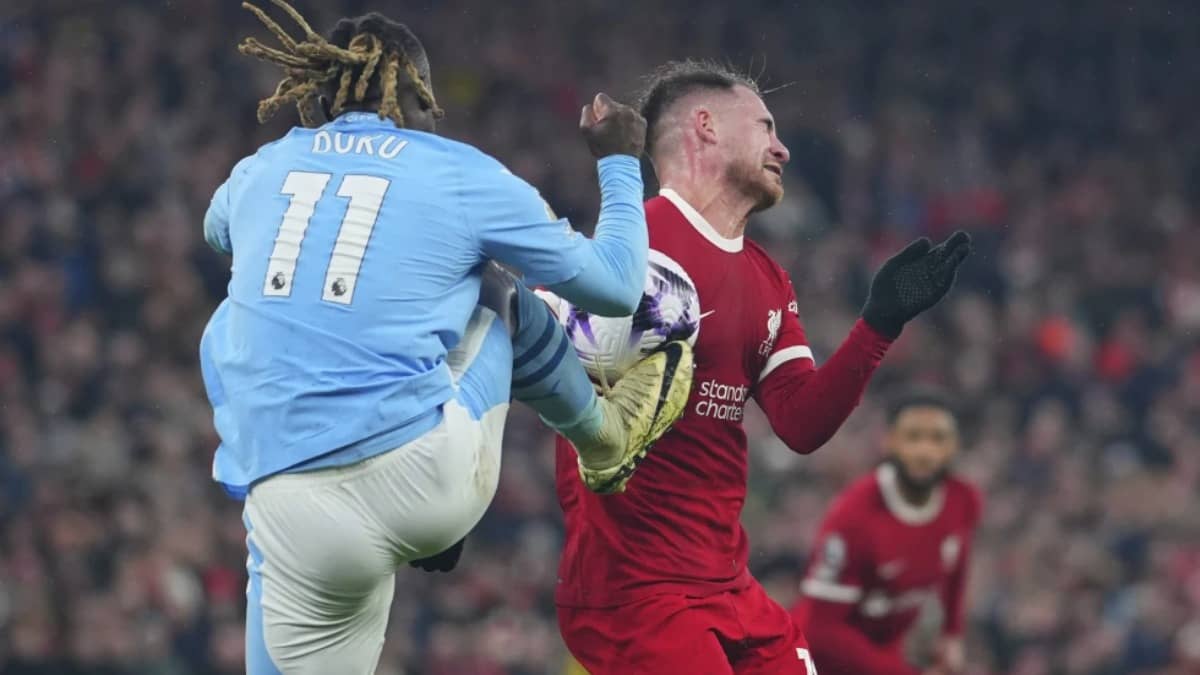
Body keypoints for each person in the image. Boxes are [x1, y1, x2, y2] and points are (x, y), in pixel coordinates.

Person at [199, 3, 693, 673]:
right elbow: (614, 287)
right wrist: (619, 164)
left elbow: (217, 230)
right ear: (414, 94)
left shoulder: (258, 169)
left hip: (287, 504)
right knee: (494, 290)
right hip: (421, 475)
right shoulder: (458, 171)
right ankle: (603, 436)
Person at [553, 60, 972, 674]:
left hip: (727, 584)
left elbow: (801, 423)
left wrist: (879, 324)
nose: (783, 148)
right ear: (706, 127)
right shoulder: (635, 244)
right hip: (635, 592)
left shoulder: (767, 277)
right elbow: (544, 355)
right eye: (765, 127)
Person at [791, 390, 982, 675]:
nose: (925, 452)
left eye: (938, 438)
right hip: (815, 662)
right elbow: (822, 633)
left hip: (883, 655)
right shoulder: (853, 517)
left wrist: (952, 634)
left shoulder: (963, 500)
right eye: (913, 437)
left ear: (954, 445)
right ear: (889, 441)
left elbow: (957, 565)